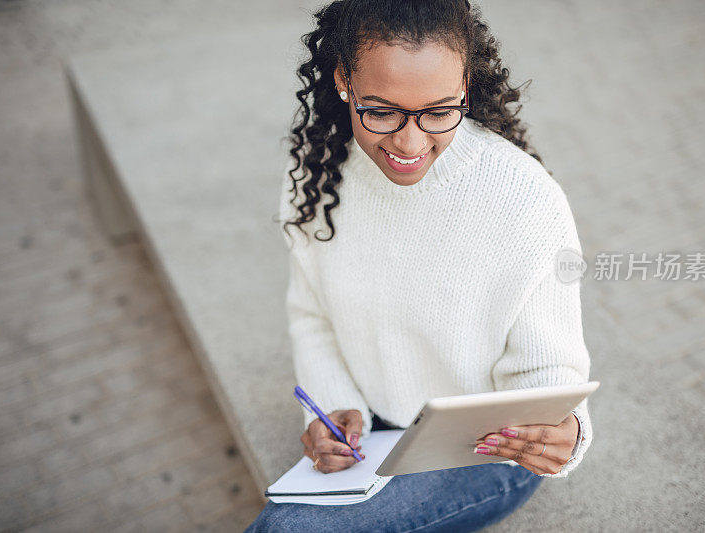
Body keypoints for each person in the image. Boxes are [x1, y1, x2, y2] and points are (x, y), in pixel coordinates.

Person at [246, 0, 593, 531]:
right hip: (374, 428)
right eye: (380, 111)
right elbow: (311, 314)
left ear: (465, 88)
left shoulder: (524, 199)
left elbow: (550, 371)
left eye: (438, 111)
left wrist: (565, 429)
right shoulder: (315, 173)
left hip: (479, 449)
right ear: (344, 82)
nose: (410, 143)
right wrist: (333, 405)